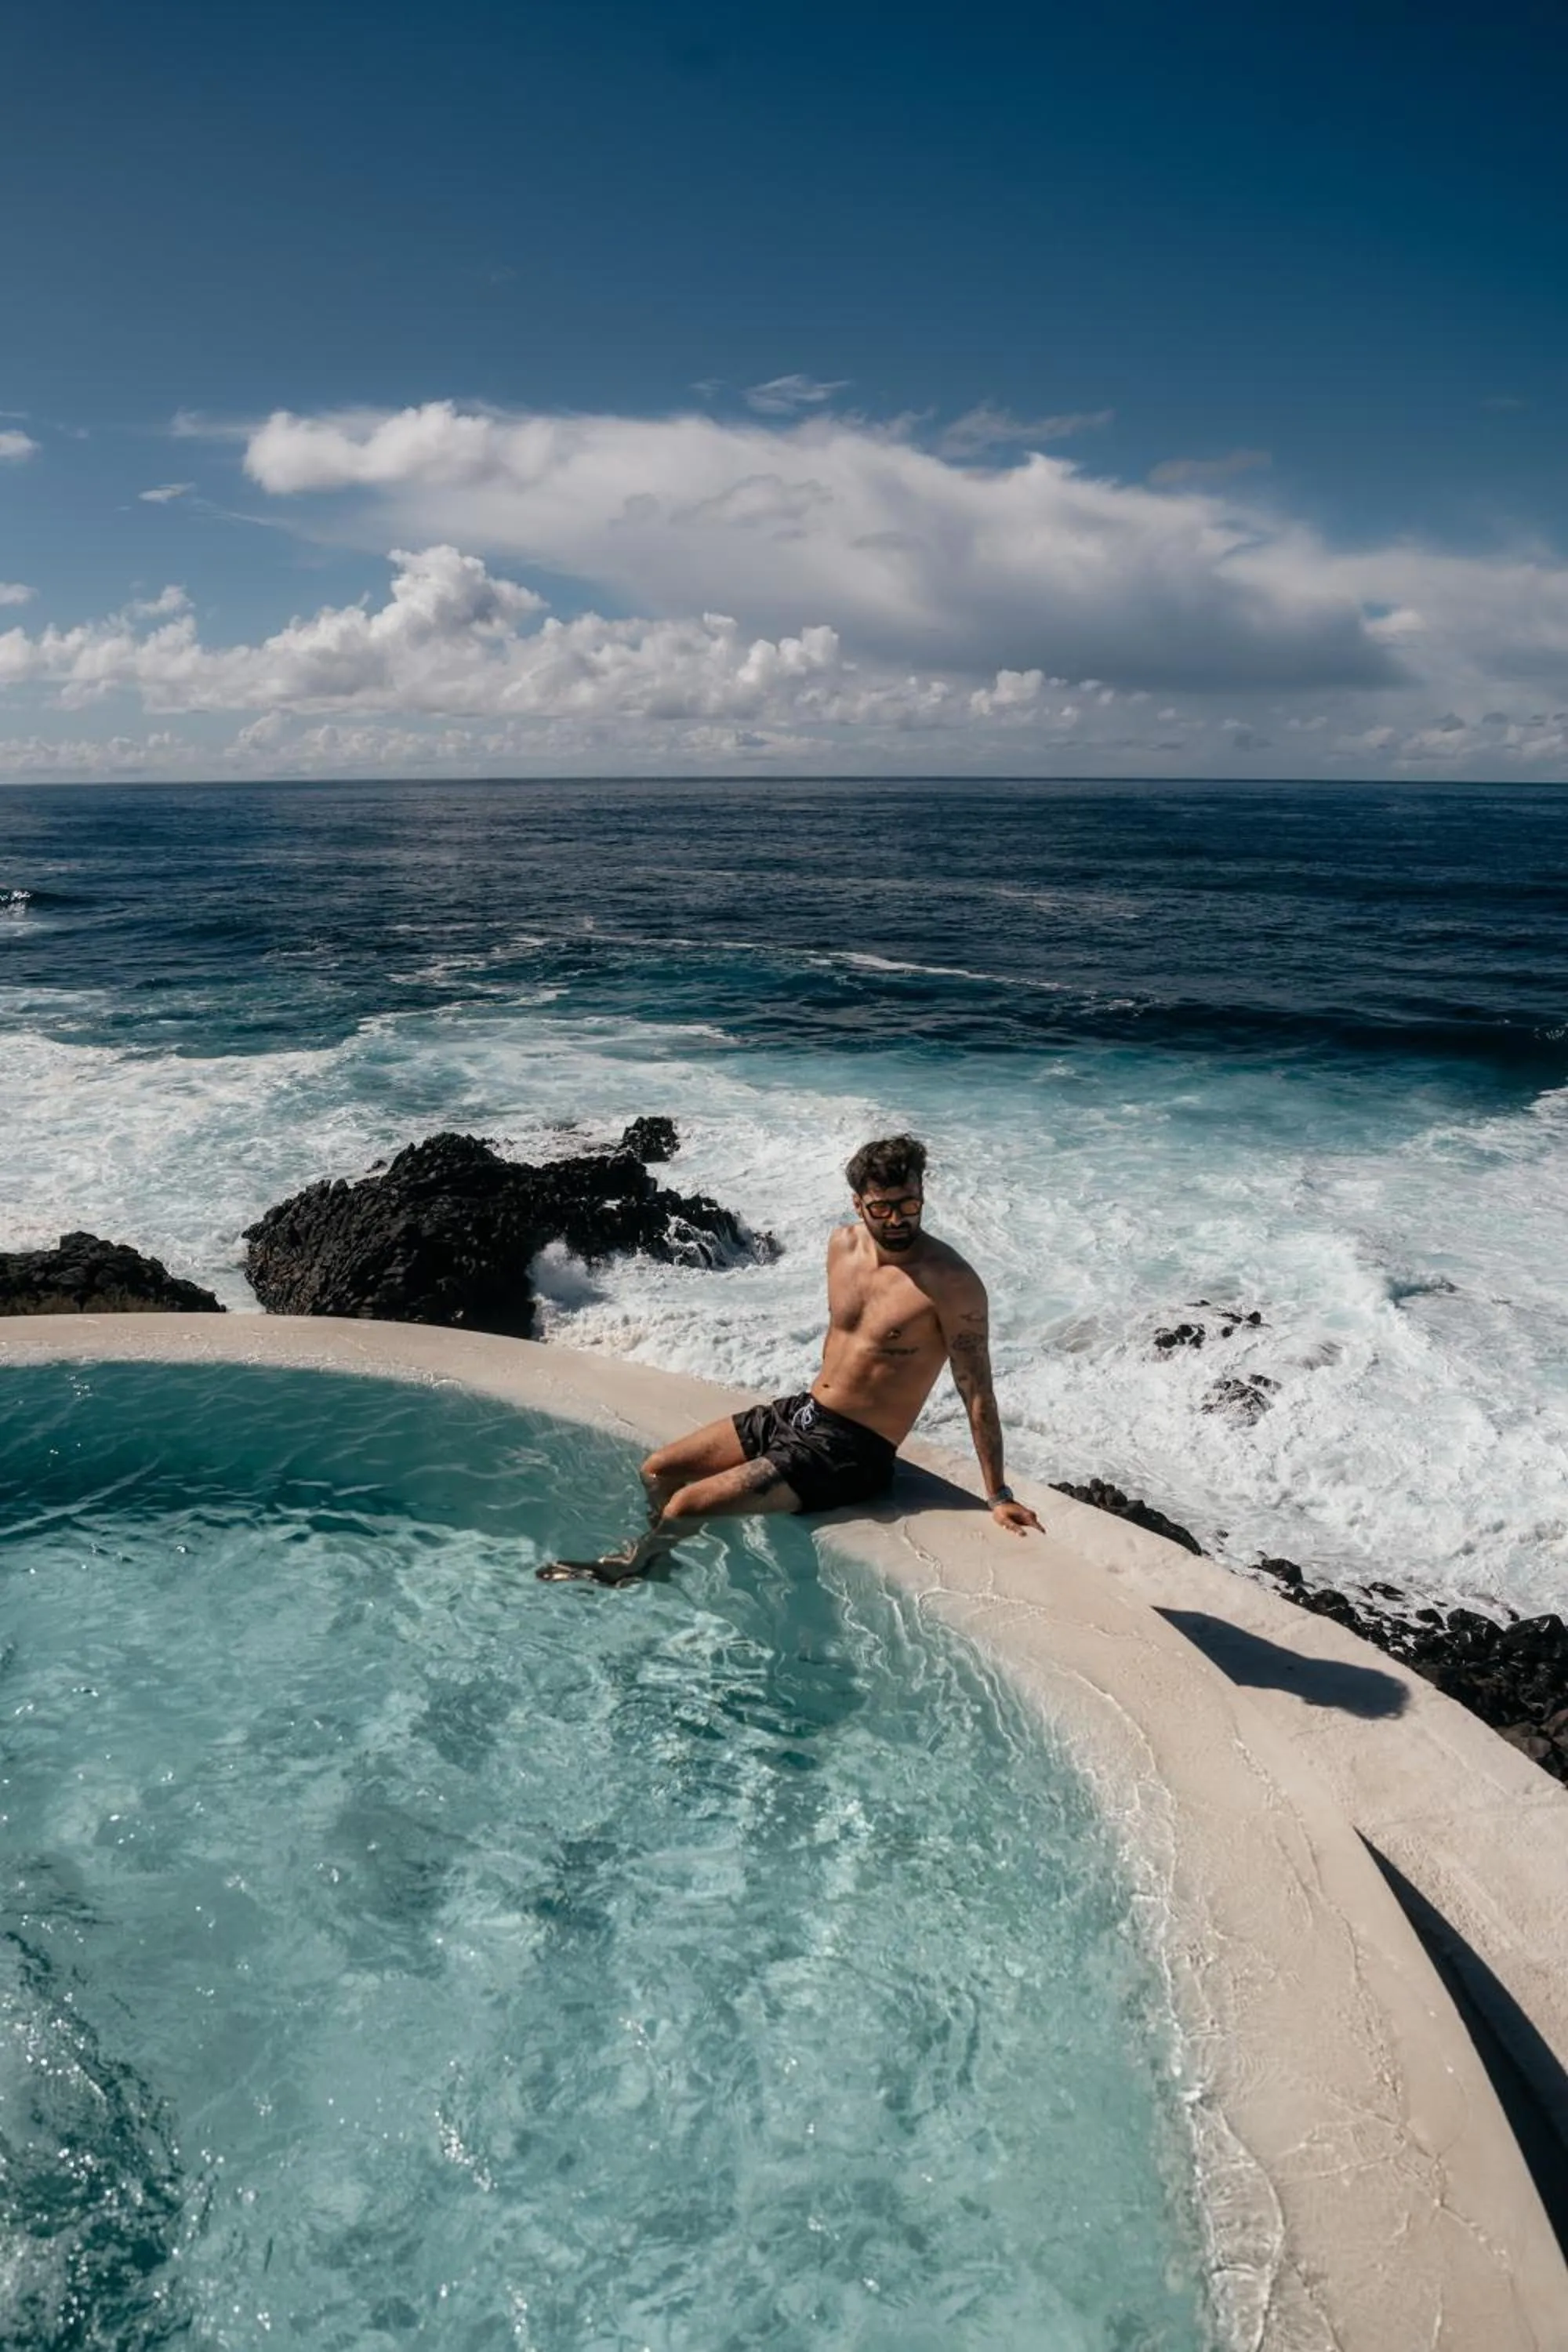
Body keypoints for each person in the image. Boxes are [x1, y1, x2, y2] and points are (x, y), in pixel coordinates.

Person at [539, 1133, 1042, 1583]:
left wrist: (998, 1495)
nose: (897, 1219)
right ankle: (664, 1556)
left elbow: (977, 1389)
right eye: (881, 1208)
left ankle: (632, 1567)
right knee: (659, 1470)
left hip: (853, 1452)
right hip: (803, 1413)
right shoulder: (842, 1246)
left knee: (687, 1503)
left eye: (909, 1204)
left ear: (922, 1194)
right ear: (858, 1204)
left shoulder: (951, 1283)